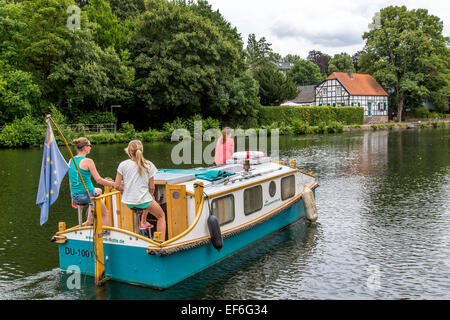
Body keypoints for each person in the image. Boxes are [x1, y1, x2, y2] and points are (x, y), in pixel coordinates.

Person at [114, 140, 166, 241]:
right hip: (143, 201)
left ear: (129, 151)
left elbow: (116, 185)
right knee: (161, 216)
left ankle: (143, 222)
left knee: (146, 199)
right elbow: (151, 187)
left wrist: (124, 190)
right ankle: (160, 243)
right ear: (141, 150)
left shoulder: (123, 165)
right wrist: (151, 195)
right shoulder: (148, 165)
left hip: (128, 202)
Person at [69, 137, 114, 226]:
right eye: (90, 145)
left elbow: (70, 181)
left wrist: (73, 198)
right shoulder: (88, 161)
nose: (90, 147)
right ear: (85, 147)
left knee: (98, 191)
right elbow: (98, 180)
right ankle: (106, 234)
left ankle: (89, 221)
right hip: (87, 195)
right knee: (105, 213)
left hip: (75, 195)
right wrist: (114, 184)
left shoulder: (71, 160)